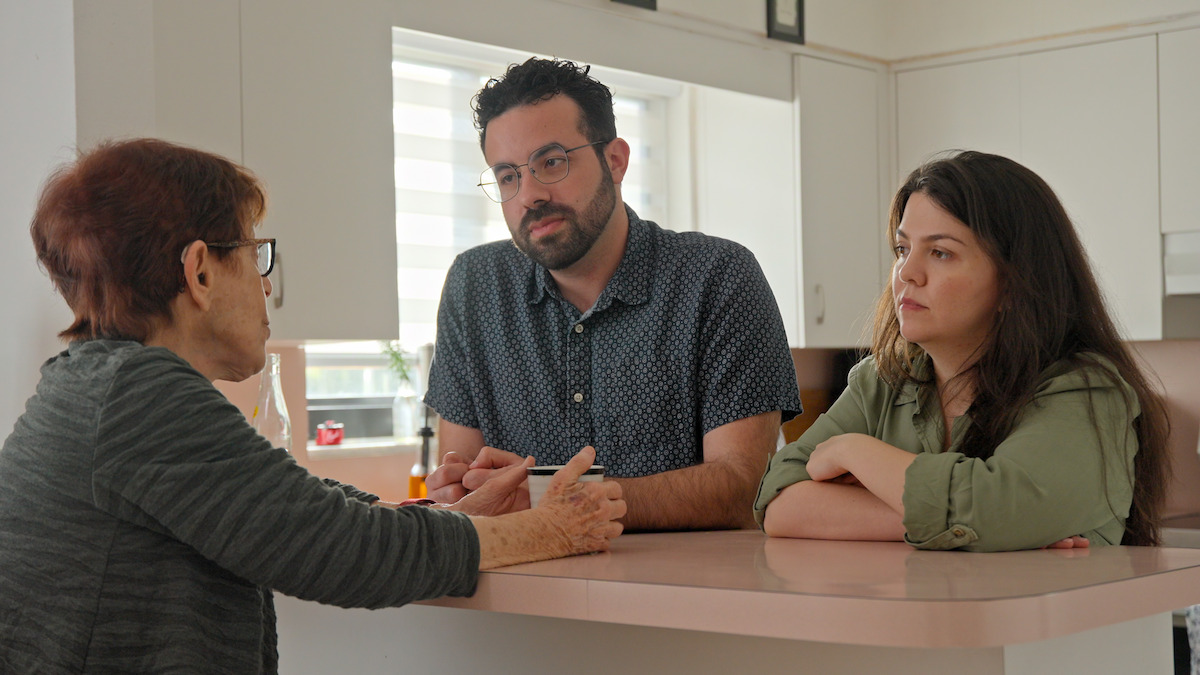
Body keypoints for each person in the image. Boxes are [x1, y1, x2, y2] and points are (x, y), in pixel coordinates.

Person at [0, 138, 625, 673]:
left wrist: (462, 518)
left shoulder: (100, 386)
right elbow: (342, 550)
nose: (266, 282)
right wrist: (545, 529)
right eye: (253, 253)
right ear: (200, 272)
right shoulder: (138, 395)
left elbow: (286, 506)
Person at [423, 57, 802, 531]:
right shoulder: (474, 286)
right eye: (507, 176)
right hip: (522, 590)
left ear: (616, 161)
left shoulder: (718, 277)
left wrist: (547, 497)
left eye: (552, 162)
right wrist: (460, 488)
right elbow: (461, 480)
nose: (529, 194)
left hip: (685, 594)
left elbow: (742, 488)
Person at [754, 150, 1169, 552]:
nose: (906, 273)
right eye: (903, 249)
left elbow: (1001, 509)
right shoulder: (881, 381)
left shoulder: (1086, 390)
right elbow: (779, 500)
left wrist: (855, 453)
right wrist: (977, 528)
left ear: (1014, 281)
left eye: (941, 252)